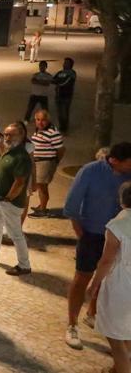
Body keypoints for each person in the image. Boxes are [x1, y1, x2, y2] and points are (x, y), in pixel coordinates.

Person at [62, 142, 131, 349]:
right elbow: (72, 205)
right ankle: (72, 324)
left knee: (109, 278)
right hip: (92, 233)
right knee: (82, 276)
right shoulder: (90, 171)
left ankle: (92, 313)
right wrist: (81, 234)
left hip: (119, 235)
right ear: (114, 161)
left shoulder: (128, 176)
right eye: (129, 163)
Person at [87, 182, 131, 373]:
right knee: (127, 332)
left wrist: (93, 285)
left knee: (115, 339)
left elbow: (106, 261)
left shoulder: (117, 226)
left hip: (122, 285)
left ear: (122, 202)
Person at [0, 122, 34, 276]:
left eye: (10, 134)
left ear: (21, 136)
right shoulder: (10, 151)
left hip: (9, 202)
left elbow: (19, 182)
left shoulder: (21, 157)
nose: (6, 137)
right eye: (5, 134)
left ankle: (24, 265)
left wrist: (8, 198)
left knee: (15, 233)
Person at [29, 110, 65, 217]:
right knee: (40, 186)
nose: (40, 122)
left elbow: (61, 149)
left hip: (45, 163)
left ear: (48, 120)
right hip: (38, 162)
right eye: (38, 120)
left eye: (43, 120)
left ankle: (43, 210)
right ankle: (41, 205)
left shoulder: (53, 133)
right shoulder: (39, 130)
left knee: (42, 186)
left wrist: (55, 161)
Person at [53, 57, 76, 132]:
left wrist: (58, 83)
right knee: (59, 112)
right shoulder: (60, 72)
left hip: (66, 95)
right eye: (64, 62)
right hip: (58, 94)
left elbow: (67, 82)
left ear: (70, 65)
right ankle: (61, 127)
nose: (64, 64)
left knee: (65, 112)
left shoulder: (72, 73)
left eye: (66, 63)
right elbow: (53, 80)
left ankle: (65, 128)